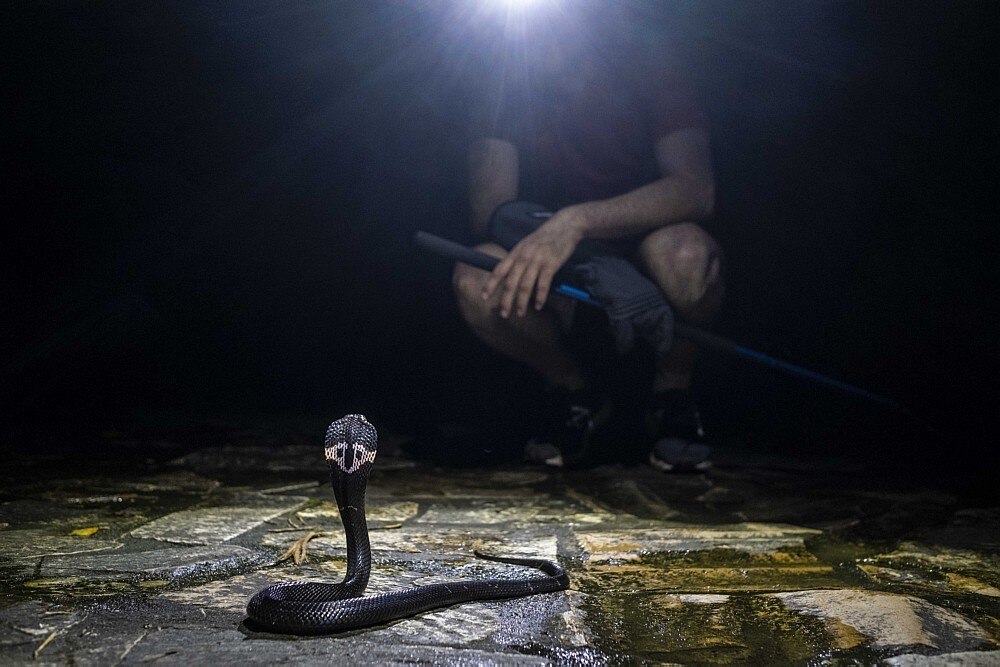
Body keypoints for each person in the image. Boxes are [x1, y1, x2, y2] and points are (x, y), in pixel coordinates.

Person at [452, 13, 723, 471]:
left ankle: (672, 395)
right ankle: (575, 392)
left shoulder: (649, 63)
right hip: (551, 256)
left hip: (642, 244)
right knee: (475, 276)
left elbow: (696, 188)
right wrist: (584, 255)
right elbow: (491, 212)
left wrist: (579, 223)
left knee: (688, 257)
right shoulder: (503, 82)